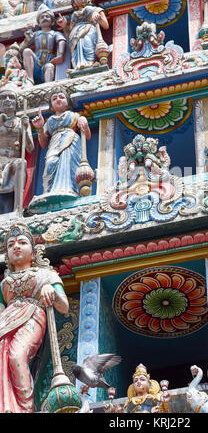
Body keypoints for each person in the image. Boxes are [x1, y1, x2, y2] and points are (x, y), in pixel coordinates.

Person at [0, 220, 69, 412]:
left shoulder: (46, 274)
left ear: (33, 251)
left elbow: (63, 307)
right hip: (6, 321)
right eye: (11, 245)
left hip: (32, 315)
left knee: (17, 355)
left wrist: (50, 291)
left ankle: (25, 407)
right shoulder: (4, 283)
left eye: (22, 242)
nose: (16, 247)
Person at [31, 86, 91, 196]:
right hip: (54, 143)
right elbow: (43, 144)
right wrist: (39, 128)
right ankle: (50, 191)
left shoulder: (73, 116)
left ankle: (71, 189)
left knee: (69, 163)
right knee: (51, 163)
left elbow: (87, 136)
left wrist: (84, 122)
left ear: (67, 103)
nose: (58, 99)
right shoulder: (49, 122)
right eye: (54, 99)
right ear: (51, 107)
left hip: (71, 140)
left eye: (61, 97)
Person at [56, 0, 109, 71]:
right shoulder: (74, 15)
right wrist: (64, 25)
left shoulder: (95, 9)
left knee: (87, 44)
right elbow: (69, 35)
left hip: (89, 30)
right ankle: (78, 66)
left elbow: (106, 25)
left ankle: (90, 63)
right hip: (75, 35)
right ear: (74, 2)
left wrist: (98, 17)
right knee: (77, 48)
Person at [0, 88, 34, 214]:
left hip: (12, 161)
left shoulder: (20, 121)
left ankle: (17, 209)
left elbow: (30, 148)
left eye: (11, 97)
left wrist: (25, 128)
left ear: (16, 103)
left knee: (21, 163)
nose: (7, 100)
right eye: (3, 98)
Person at [20, 7, 66, 84]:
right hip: (36, 63)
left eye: (47, 16)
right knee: (27, 51)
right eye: (42, 17)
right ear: (38, 23)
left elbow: (62, 41)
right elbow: (21, 49)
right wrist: (27, 39)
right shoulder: (35, 34)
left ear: (52, 22)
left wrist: (60, 55)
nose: (44, 18)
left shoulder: (55, 33)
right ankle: (30, 79)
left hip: (48, 62)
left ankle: (47, 86)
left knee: (49, 66)